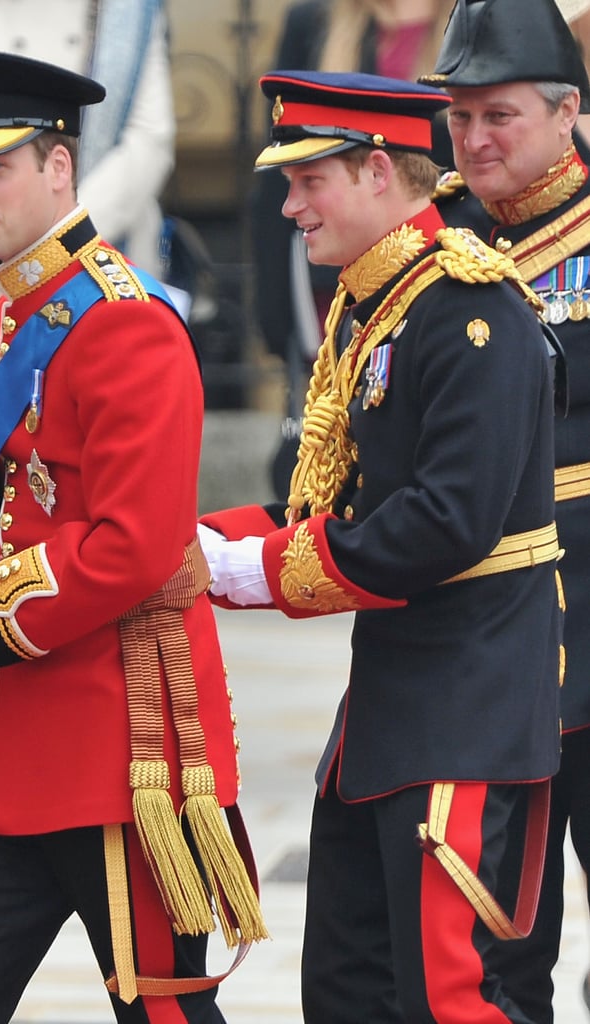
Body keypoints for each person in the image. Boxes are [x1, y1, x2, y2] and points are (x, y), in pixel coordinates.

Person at [0, 48, 266, 1024]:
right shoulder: (21, 313)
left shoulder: (126, 326)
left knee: (168, 1015)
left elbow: (132, 547)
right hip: (24, 755)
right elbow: (32, 495)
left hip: (124, 751)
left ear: (59, 167)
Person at [198, 68, 563, 1022]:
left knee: (458, 999)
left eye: (308, 181)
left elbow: (445, 521)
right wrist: (196, 546)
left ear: (373, 172)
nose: (289, 207)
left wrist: (261, 572)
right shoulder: (377, 302)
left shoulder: (468, 308)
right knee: (351, 993)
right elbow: (329, 499)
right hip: (391, 717)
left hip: (468, 714)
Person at [419, 0, 590, 1019]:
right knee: (492, 941)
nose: (476, 140)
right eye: (459, 116)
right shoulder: (435, 238)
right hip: (490, 653)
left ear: (568, 112)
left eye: (501, 116)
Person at [0, 0, 176, 510]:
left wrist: (58, 230)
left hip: (100, 246)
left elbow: (151, 139)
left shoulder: (124, 10)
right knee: (3, 494)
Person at [250, 0, 455, 498]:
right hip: (331, 275)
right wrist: (277, 318)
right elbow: (281, 184)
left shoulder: (462, 21)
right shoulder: (316, 20)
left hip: (433, 260)